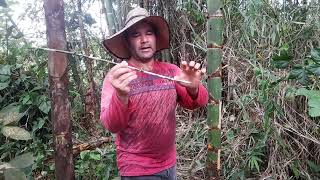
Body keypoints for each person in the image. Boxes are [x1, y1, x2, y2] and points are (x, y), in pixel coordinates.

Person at [100, 6, 208, 180]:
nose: (144, 40)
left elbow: (196, 103)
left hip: (169, 164)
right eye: (136, 35)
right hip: (137, 169)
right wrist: (120, 96)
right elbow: (112, 125)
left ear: (156, 38)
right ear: (127, 42)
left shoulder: (170, 71)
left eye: (149, 33)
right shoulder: (118, 77)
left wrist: (193, 88)